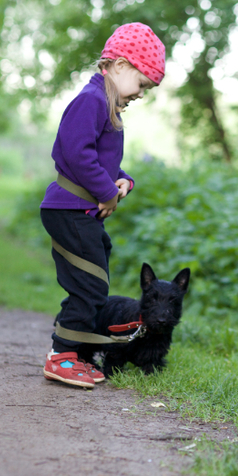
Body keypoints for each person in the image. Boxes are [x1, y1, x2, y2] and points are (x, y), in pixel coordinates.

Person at [39, 22, 165, 388]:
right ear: (120, 65)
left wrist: (122, 180)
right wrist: (106, 193)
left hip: (81, 211)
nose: (141, 93)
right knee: (89, 286)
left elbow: (100, 162)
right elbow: (76, 153)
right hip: (69, 209)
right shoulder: (91, 100)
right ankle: (62, 356)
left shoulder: (107, 107)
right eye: (142, 84)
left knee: (92, 282)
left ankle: (74, 353)